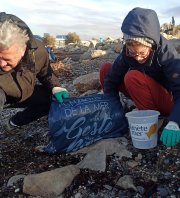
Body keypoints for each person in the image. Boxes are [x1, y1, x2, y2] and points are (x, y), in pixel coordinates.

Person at [100, 7, 180, 147]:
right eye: (133, 53)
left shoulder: (167, 54)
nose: (137, 58)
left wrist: (174, 121)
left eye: (142, 53)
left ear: (151, 46)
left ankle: (151, 120)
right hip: (145, 90)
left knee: (132, 77)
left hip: (169, 100)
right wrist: (113, 108)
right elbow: (111, 80)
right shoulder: (128, 52)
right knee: (106, 69)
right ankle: (119, 111)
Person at [0, 12, 69, 135]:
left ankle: (14, 123)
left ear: (23, 50)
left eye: (7, 59)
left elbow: (45, 72)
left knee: (50, 99)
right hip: (2, 91)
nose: (1, 64)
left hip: (24, 92)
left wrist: (55, 87)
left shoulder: (38, 52)